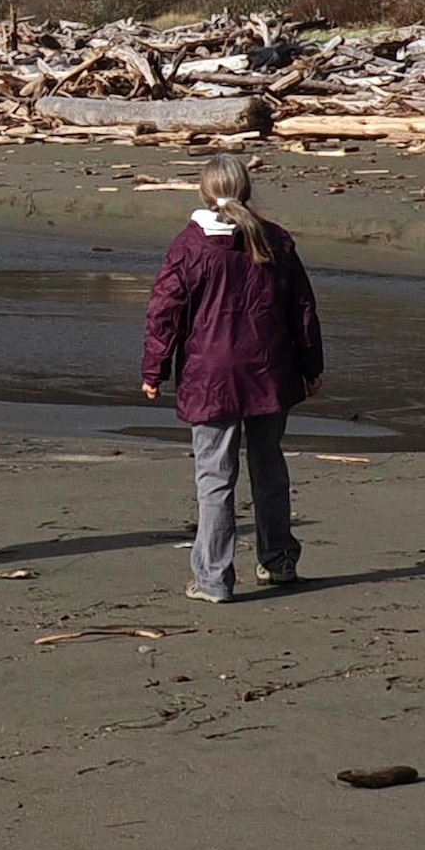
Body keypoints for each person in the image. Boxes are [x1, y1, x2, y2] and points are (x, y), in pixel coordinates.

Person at [142, 151, 325, 603]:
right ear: (246, 189)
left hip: (214, 375)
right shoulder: (273, 241)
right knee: (268, 468)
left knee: (215, 477)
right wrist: (311, 366)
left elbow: (164, 313)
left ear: (205, 192)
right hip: (268, 371)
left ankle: (215, 579)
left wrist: (154, 370)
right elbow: (302, 310)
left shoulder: (192, 245)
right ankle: (279, 559)